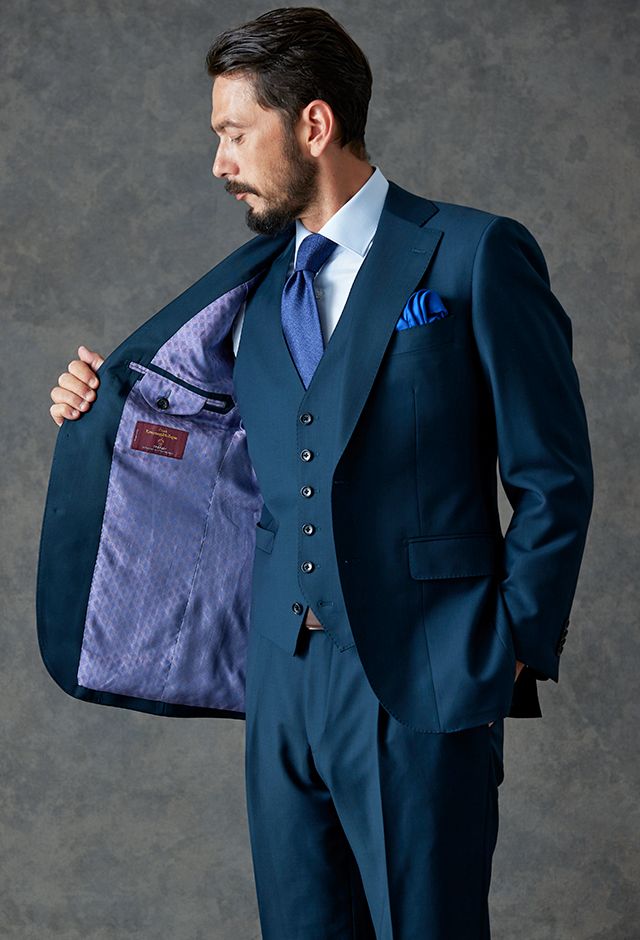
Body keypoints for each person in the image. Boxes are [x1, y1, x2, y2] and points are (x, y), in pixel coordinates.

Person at [45, 7, 593, 938]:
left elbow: (555, 478)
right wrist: (98, 411)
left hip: (425, 676)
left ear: (313, 124)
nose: (219, 163)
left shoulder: (472, 254)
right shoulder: (253, 294)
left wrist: (503, 646)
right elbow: (210, 448)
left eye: (234, 133)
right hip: (281, 685)